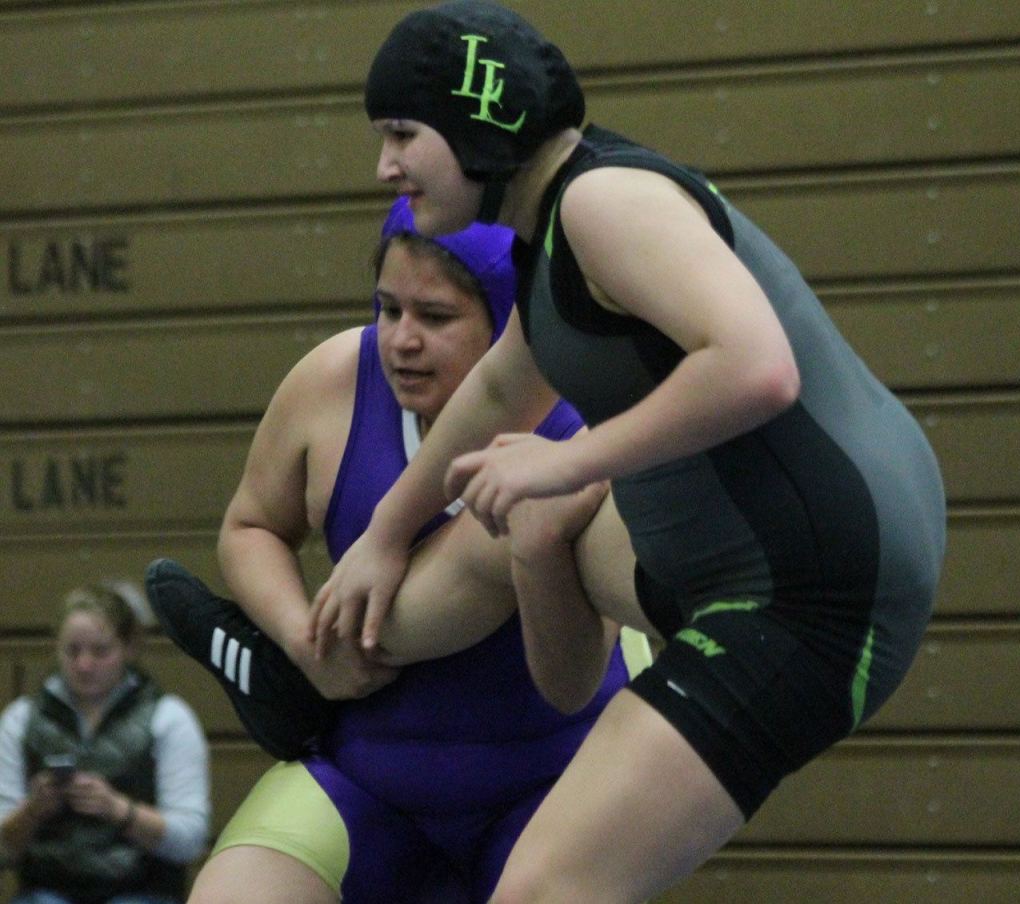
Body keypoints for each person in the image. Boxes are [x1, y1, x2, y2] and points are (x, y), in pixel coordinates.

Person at [312, 2, 949, 901]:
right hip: (756, 545)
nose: (385, 166)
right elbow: (504, 388)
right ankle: (324, 667)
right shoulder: (550, 227)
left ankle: (327, 666)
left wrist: (566, 463)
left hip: (812, 593)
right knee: (524, 524)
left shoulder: (604, 202)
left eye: (402, 134)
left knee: (541, 890)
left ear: (476, 121)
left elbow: (758, 368)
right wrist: (386, 529)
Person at [145, 196, 641, 903]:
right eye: (388, 309)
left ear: (509, 327)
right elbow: (251, 526)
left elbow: (570, 679)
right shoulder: (334, 381)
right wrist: (298, 639)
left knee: (501, 542)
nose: (402, 341)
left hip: (551, 774)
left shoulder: (582, 424)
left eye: (435, 318)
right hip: (373, 770)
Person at [0, 582, 211, 904]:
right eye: (72, 651)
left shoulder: (169, 719)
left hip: (142, 891)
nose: (84, 665)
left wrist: (118, 810)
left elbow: (190, 841)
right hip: (46, 891)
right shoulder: (20, 719)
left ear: (129, 648)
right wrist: (32, 811)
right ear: (55, 648)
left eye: (100, 651)